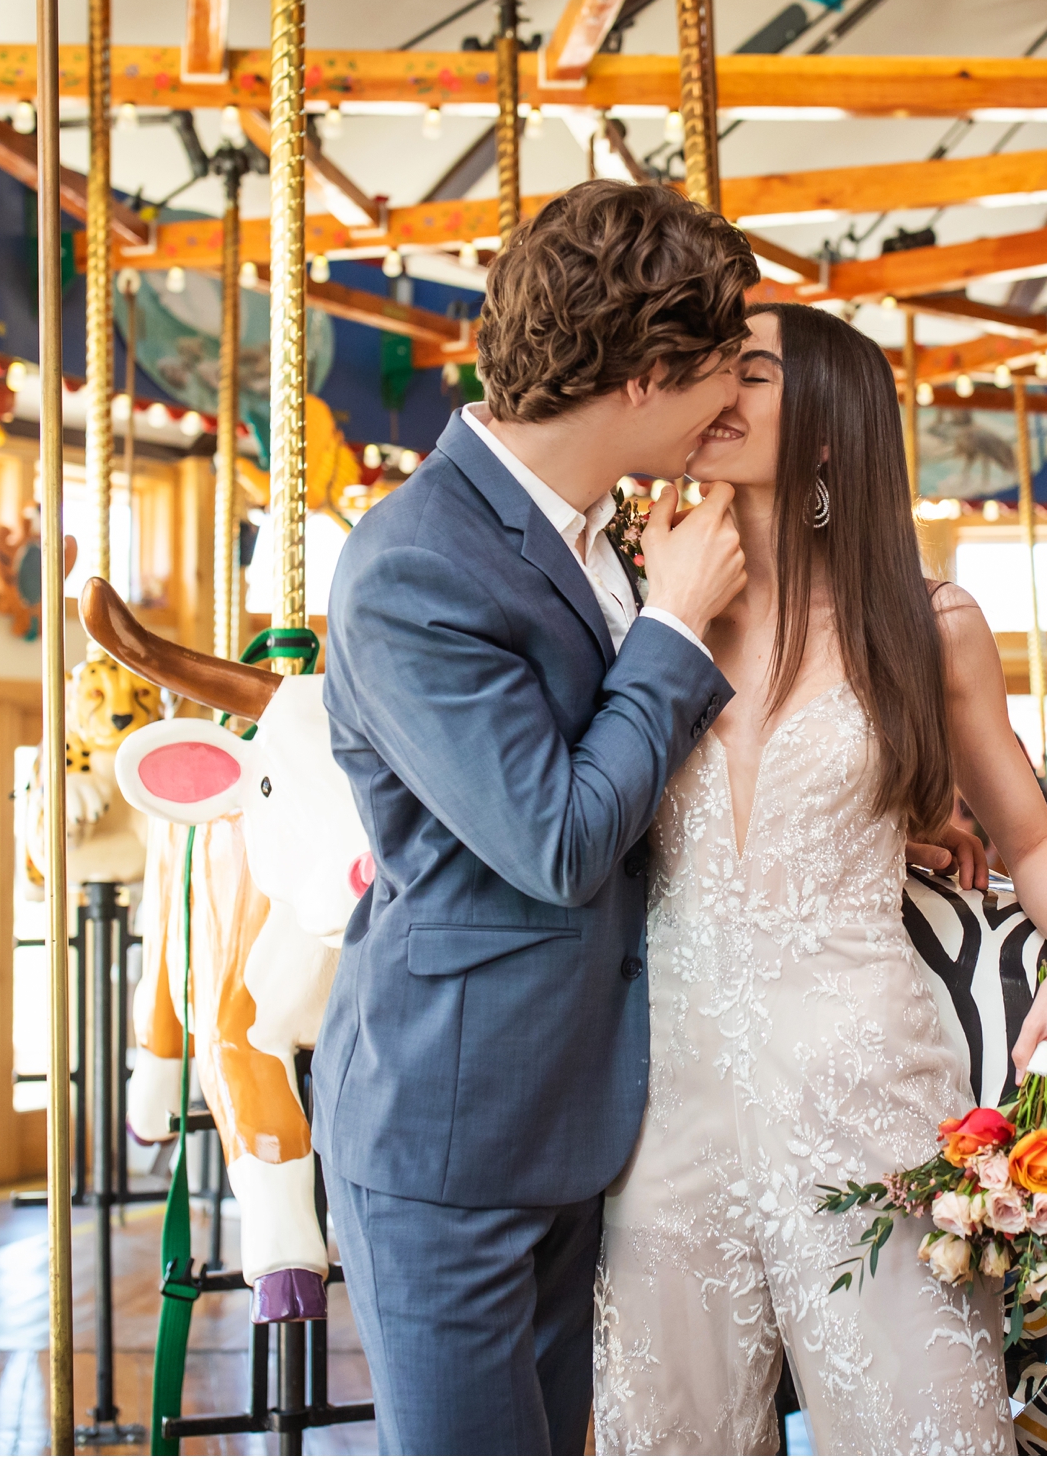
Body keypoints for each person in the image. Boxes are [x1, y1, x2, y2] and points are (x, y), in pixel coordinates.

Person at [593, 303, 1047, 1455]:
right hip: (665, 1109)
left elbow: (1030, 837)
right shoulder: (640, 608)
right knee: (662, 1433)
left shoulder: (927, 628)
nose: (713, 389)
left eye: (754, 371)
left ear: (830, 430)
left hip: (860, 1090)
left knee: (924, 1426)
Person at [313, 180, 758, 1455]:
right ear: (645, 375)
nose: (730, 403)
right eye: (720, 370)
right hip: (449, 1126)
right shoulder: (414, 564)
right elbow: (560, 839)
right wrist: (671, 625)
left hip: (579, 1111)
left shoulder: (594, 531)